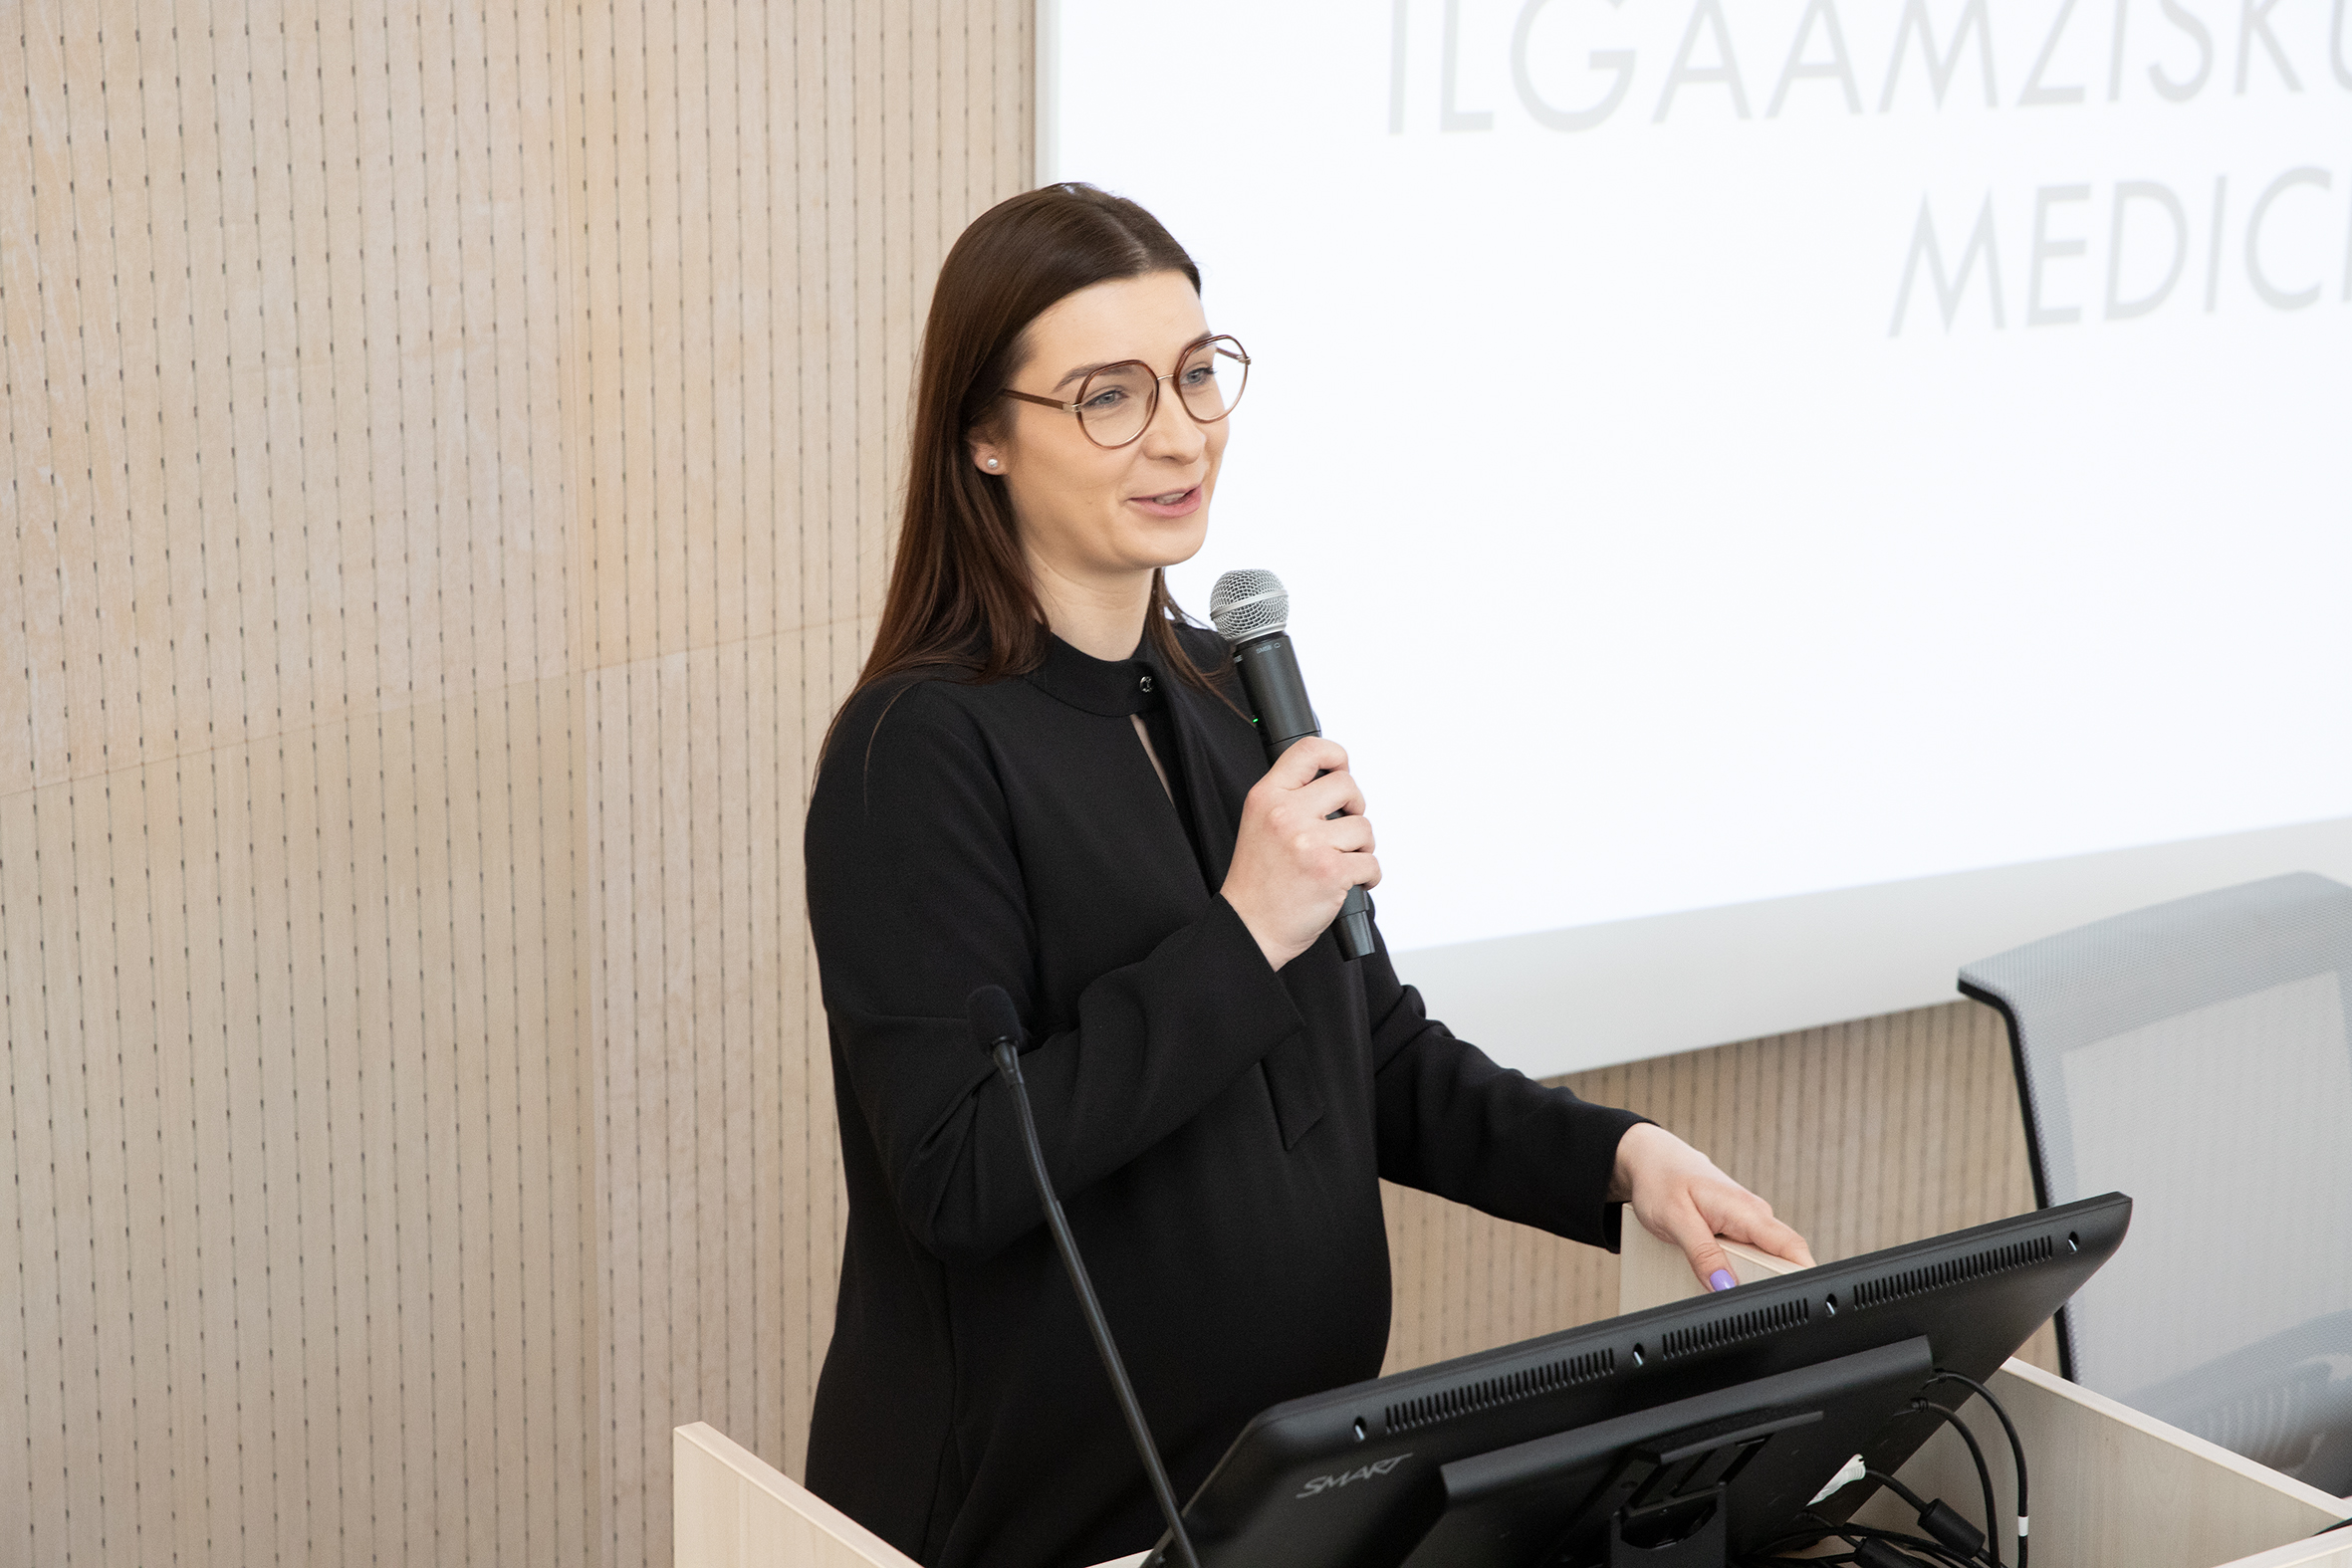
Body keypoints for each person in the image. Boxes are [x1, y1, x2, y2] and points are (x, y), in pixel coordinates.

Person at [802, 183, 1814, 1568]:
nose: (1179, 434)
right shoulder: (914, 752)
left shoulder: (1230, 687)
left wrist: (1617, 1161)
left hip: (1282, 1498)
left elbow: (1366, 1054)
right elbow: (963, 1172)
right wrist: (1241, 931)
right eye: (1108, 397)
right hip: (1040, 1527)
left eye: (1194, 374)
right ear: (984, 435)